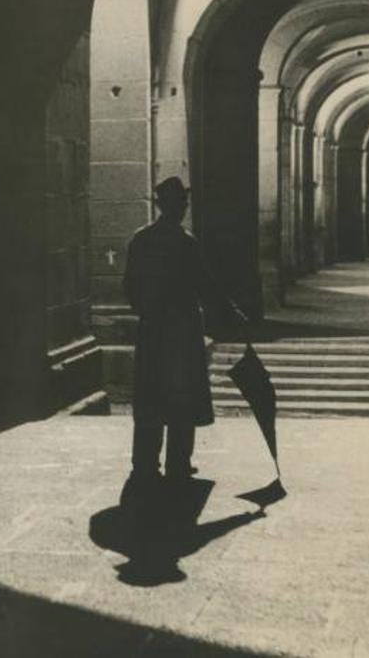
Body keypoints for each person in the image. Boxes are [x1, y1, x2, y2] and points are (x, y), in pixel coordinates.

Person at [121, 176, 246, 505]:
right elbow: (204, 283)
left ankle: (145, 463)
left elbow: (130, 288)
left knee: (151, 394)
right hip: (182, 330)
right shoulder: (185, 242)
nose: (184, 207)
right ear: (172, 205)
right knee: (181, 394)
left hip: (153, 330)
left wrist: (148, 309)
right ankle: (178, 462)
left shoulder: (141, 240)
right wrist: (229, 311)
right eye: (182, 202)